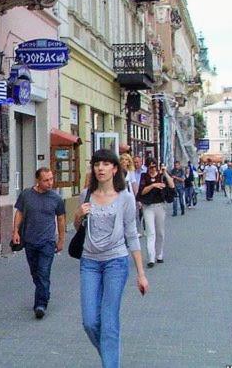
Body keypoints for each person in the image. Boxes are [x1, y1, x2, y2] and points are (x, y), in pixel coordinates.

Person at [74, 149, 148, 368]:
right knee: (90, 322)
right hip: (89, 263)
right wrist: (78, 215)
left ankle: (110, 363)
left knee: (109, 322)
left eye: (106, 164)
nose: (101, 168)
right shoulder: (85, 194)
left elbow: (132, 234)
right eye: (97, 164)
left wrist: (141, 274)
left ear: (115, 169)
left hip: (116, 262)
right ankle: (110, 355)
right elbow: (79, 228)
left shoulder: (125, 197)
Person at [12, 168, 66, 319]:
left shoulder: (56, 198)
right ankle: (44, 292)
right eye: (46, 180)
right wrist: (15, 231)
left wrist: (61, 239)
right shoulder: (26, 195)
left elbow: (61, 219)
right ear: (38, 181)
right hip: (30, 240)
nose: (50, 183)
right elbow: (19, 212)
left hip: (47, 242)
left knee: (43, 272)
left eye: (51, 179)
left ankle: (40, 304)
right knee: (35, 272)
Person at [138, 159, 174, 267]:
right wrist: (153, 185)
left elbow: (172, 186)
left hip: (160, 206)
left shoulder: (162, 176)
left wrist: (165, 172)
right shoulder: (144, 176)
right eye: (150, 167)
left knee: (160, 232)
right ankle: (151, 258)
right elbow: (142, 191)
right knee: (150, 232)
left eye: (154, 167)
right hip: (148, 206)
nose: (152, 169)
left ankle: (159, 254)